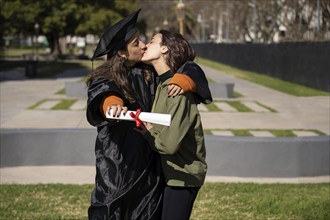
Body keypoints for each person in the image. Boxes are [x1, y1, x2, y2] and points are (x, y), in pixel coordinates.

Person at [86, 9, 211, 220]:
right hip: (120, 165)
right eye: (136, 43)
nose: (143, 45)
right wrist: (112, 105)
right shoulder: (107, 76)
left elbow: (187, 65)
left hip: (151, 166)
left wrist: (186, 79)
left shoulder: (148, 71)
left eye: (145, 41)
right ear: (121, 52)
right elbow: (105, 93)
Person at [139, 30, 210, 220]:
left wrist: (148, 132)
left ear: (164, 49)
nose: (145, 45)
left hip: (182, 177)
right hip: (169, 174)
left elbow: (170, 145)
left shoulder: (177, 90)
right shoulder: (162, 85)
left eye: (151, 41)